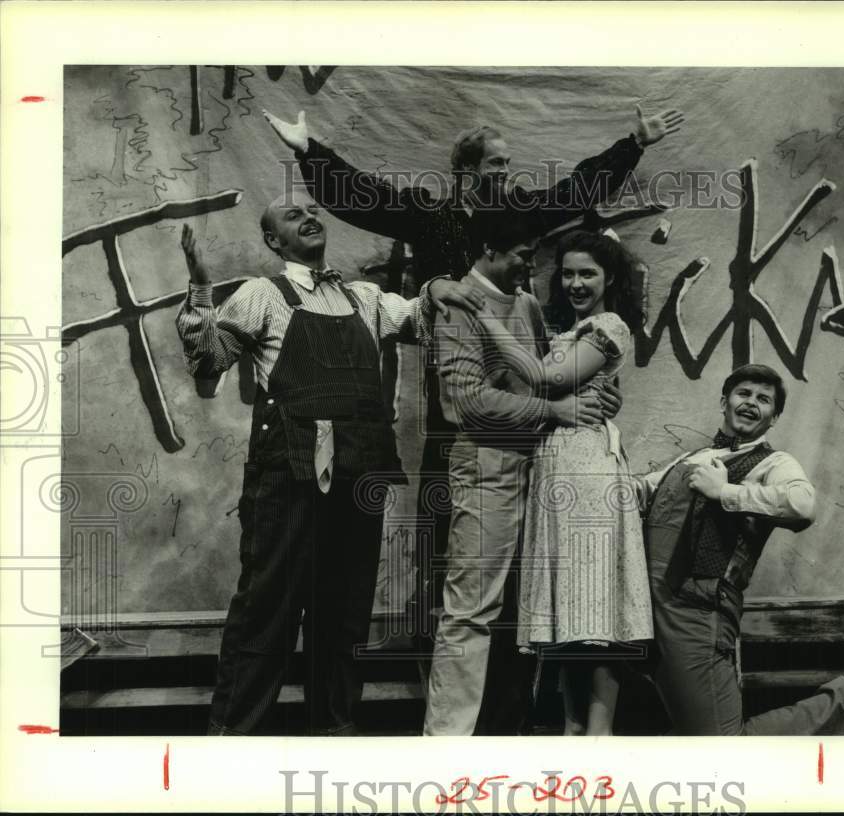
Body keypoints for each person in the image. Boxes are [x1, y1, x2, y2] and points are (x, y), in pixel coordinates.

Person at [261, 106, 684, 704]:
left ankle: (507, 708)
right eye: (495, 164)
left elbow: (577, 190)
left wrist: (633, 145)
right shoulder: (431, 217)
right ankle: (450, 706)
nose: (506, 173)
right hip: (458, 407)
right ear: (464, 171)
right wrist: (310, 151)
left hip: (526, 404)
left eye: (509, 163)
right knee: (453, 557)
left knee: (520, 562)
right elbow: (362, 199)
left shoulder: (517, 218)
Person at [174, 193, 483, 735]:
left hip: (359, 476)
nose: (310, 217)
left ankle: (333, 737)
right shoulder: (262, 294)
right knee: (266, 612)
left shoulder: (365, 298)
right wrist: (201, 289)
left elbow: (422, 320)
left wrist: (435, 285)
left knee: (344, 617)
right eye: (293, 215)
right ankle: (233, 746)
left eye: (313, 210)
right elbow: (209, 360)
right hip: (286, 477)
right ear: (273, 240)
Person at [423, 207, 621, 736]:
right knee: (471, 612)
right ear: (489, 249)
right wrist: (552, 411)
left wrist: (600, 394)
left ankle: (506, 731)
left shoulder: (527, 304)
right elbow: (465, 403)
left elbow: (550, 375)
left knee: (524, 614)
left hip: (537, 472)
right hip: (486, 473)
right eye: (522, 256)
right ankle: (446, 746)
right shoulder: (458, 304)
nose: (531, 267)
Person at [634, 364, 844, 736]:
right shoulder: (690, 458)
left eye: (763, 399)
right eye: (744, 393)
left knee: (719, 742)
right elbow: (639, 492)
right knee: (678, 730)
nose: (751, 403)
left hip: (697, 611)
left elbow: (803, 506)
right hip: (649, 608)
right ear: (724, 401)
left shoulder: (775, 463)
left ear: (774, 417)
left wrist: (725, 492)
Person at [476, 230, 652, 735]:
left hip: (588, 471)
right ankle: (575, 726)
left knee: (594, 603)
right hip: (557, 465)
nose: (576, 283)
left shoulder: (609, 325)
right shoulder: (571, 328)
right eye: (569, 273)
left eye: (587, 274)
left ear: (609, 279)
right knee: (571, 606)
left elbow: (548, 378)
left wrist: (487, 321)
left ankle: (598, 730)